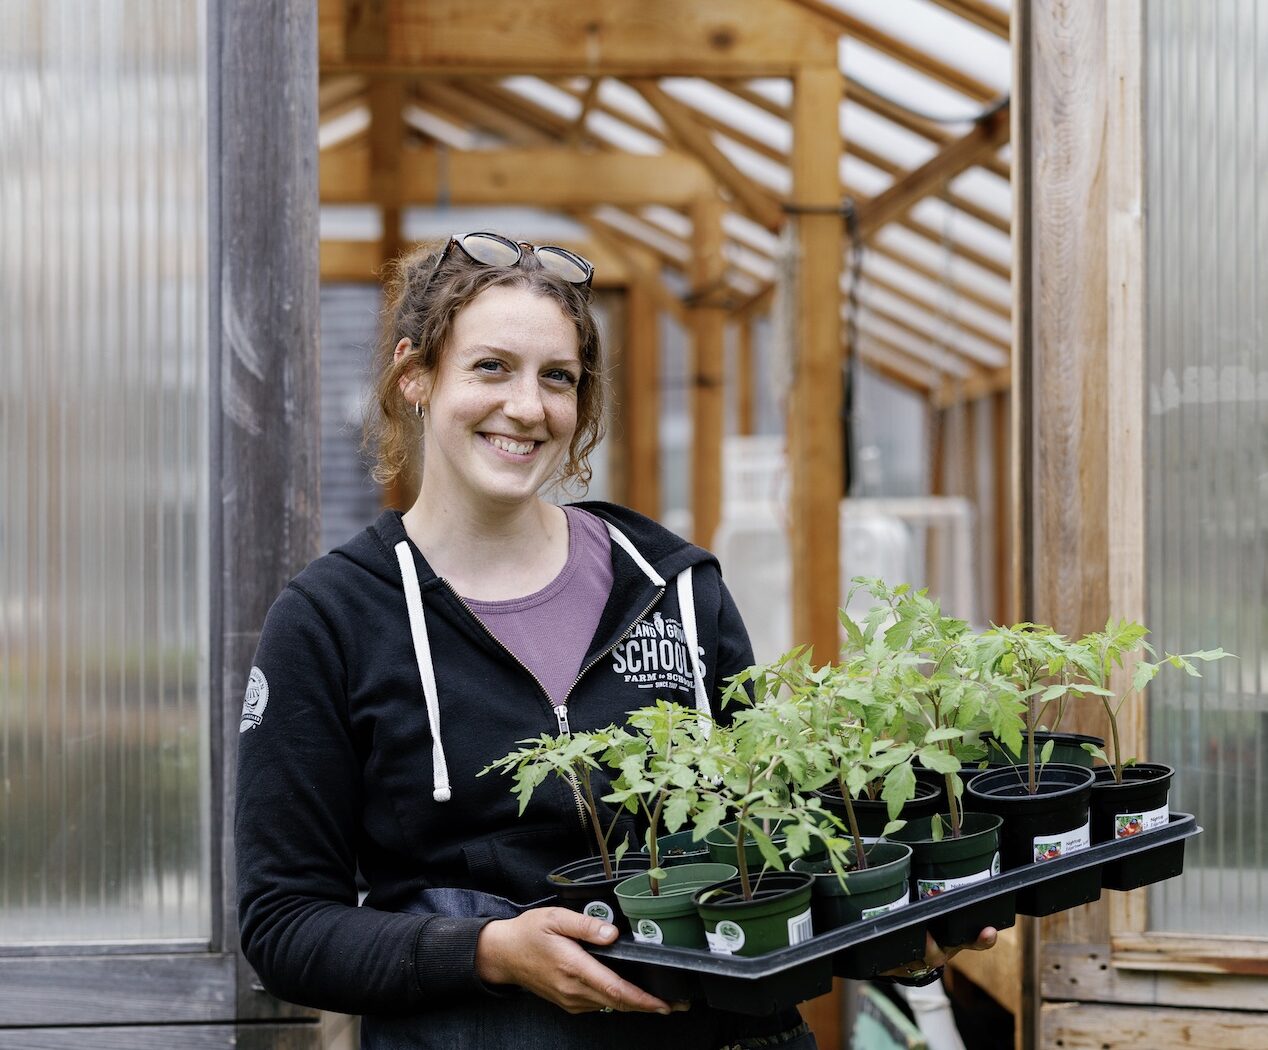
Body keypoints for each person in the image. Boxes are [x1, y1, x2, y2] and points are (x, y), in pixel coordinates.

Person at [235, 232, 994, 1050]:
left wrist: (895, 936)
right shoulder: (333, 621)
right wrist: (488, 952)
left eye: (556, 378)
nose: (527, 407)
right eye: (491, 367)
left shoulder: (672, 586)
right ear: (415, 374)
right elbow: (285, 924)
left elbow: (776, 845)